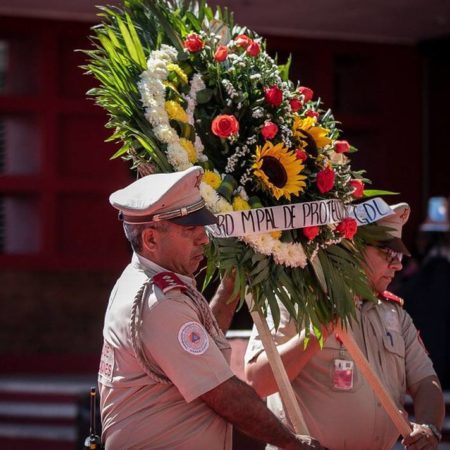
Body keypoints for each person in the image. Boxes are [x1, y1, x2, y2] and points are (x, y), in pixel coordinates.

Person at [98, 166, 326, 450]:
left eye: (202, 227)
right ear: (151, 239)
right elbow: (224, 393)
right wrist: (292, 443)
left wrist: (230, 290)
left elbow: (201, 347)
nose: (204, 238)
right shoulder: (161, 304)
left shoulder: (149, 283)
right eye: (190, 229)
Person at [245, 203, 445, 450]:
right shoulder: (295, 301)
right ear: (351, 248)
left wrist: (429, 427)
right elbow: (257, 383)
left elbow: (427, 382)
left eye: (400, 256)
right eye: (388, 254)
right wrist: (321, 329)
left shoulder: (394, 314)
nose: (398, 265)